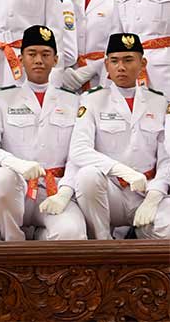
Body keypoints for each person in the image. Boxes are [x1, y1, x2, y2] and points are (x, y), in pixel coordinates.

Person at [0, 25, 87, 241]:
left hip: (54, 189)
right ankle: (13, 245)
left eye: (46, 54)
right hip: (16, 189)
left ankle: (40, 238)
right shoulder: (2, 98)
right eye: (32, 54)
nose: (39, 60)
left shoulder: (73, 101)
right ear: (21, 58)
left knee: (72, 234)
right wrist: (16, 165)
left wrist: (66, 191)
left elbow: (79, 153)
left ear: (55, 60)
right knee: (2, 178)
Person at [71, 33, 170, 239]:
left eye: (128, 60)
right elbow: (79, 150)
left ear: (143, 63)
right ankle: (102, 242)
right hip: (110, 191)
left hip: (146, 191)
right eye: (114, 61)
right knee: (87, 176)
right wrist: (124, 172)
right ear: (106, 65)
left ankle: (141, 235)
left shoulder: (160, 102)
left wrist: (154, 197)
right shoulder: (92, 100)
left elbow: (166, 158)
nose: (121, 67)